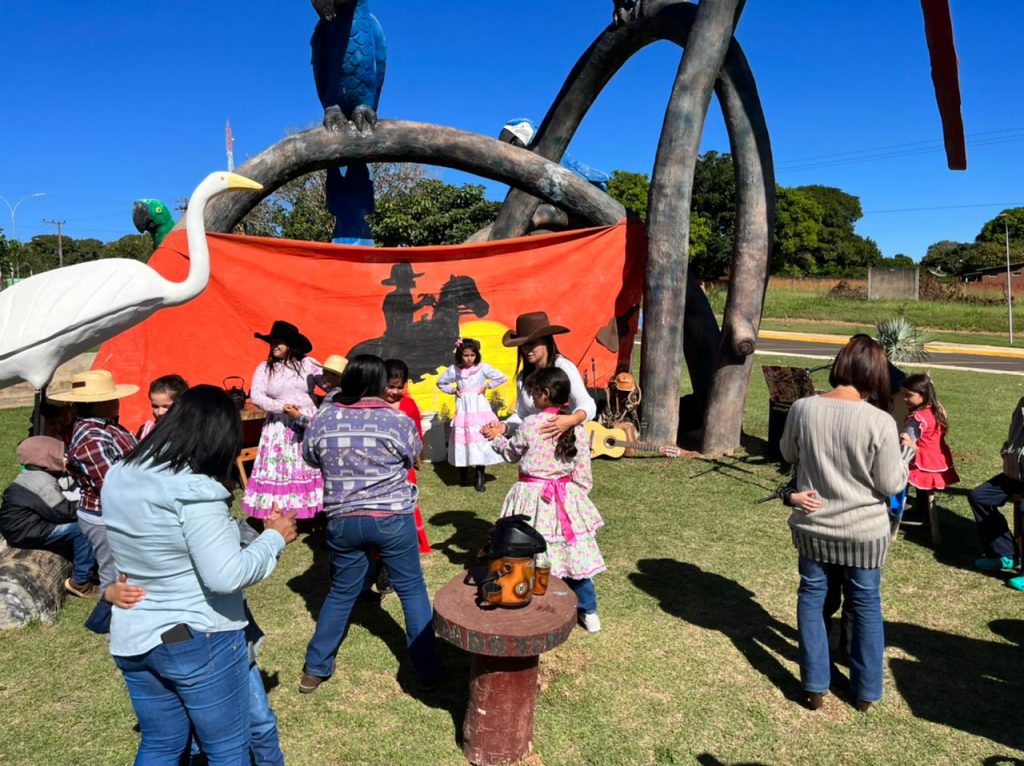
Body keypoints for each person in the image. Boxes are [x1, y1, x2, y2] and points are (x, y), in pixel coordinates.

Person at [101, 384, 297, 764]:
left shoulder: (121, 473)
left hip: (135, 633)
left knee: (160, 743)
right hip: (192, 636)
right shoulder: (195, 490)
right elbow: (225, 575)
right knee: (226, 748)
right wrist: (273, 538)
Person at [299, 355, 443, 694]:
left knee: (342, 590)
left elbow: (309, 458)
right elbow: (414, 456)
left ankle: (315, 669)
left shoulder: (321, 419)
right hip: (392, 516)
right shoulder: (396, 421)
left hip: (343, 518)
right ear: (380, 384)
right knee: (411, 588)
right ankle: (428, 668)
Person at [779, 336, 907, 712]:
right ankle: (866, 691)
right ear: (875, 374)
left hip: (813, 524)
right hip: (864, 531)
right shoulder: (880, 421)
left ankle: (815, 685)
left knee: (812, 596)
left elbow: (788, 452)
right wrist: (904, 457)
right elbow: (890, 483)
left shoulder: (803, 408)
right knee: (865, 603)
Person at [486, 367, 606, 633]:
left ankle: (530, 606)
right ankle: (589, 610)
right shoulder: (578, 428)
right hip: (565, 497)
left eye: (533, 394)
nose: (531, 399)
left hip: (531, 499)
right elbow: (583, 471)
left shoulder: (530, 424)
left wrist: (497, 438)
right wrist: (576, 497)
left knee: (526, 554)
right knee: (573, 558)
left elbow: (510, 453)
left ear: (545, 394)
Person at [49, 369, 139, 594]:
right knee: (114, 578)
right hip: (106, 515)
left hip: (115, 511)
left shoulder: (104, 426)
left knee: (124, 573)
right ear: (101, 403)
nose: (118, 401)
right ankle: (110, 621)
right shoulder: (92, 439)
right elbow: (111, 485)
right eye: (113, 397)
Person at [242, 320, 324, 520]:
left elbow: (328, 384)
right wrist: (283, 409)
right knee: (280, 467)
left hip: (306, 422)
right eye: (272, 341)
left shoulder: (308, 364)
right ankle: (280, 510)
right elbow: (257, 396)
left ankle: (314, 508)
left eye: (279, 342)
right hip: (279, 426)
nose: (274, 345)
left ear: (291, 345)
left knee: (307, 463)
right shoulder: (264, 368)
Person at [0, 436, 97, 598]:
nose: (66, 459)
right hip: (26, 532)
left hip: (15, 527)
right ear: (47, 459)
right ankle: (80, 582)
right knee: (82, 528)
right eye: (63, 456)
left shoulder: (31, 476)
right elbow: (64, 512)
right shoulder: (43, 483)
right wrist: (88, 503)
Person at [481, 311, 596, 443]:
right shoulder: (523, 377)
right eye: (523, 345)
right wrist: (504, 427)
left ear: (546, 341)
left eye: (532, 343)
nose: (526, 349)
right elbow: (522, 416)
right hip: (538, 449)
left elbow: (587, 402)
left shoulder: (563, 367)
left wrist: (571, 420)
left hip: (565, 445)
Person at [436, 337, 507, 492]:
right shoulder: (455, 369)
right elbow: (441, 383)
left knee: (480, 437)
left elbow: (502, 377)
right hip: (464, 408)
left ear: (477, 355)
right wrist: (453, 390)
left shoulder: (482, 368)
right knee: (465, 438)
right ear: (460, 355)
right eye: (466, 355)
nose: (469, 359)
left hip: (479, 406)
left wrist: (487, 385)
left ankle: (480, 475)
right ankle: (463, 468)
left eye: (472, 355)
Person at [968, 395, 1024, 585]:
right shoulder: (1022, 402)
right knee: (980, 497)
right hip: (1016, 473)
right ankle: (1004, 553)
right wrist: (1007, 452)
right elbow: (1014, 436)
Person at [385, 358, 431, 553]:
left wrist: (416, 457)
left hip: (404, 466)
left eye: (399, 387)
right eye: (390, 387)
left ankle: (412, 542)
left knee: (408, 501)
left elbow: (417, 434)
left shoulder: (409, 404)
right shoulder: (375, 404)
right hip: (382, 465)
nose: (394, 392)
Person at [899, 373, 959, 518]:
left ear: (923, 395)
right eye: (903, 395)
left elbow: (906, 442)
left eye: (909, 395)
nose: (905, 399)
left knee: (896, 473)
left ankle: (895, 508)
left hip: (921, 460)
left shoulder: (917, 419)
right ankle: (924, 510)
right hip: (936, 459)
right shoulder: (938, 411)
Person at [136, 374, 189, 440]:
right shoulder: (146, 430)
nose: (160, 412)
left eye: (166, 407)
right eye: (155, 406)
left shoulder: (191, 431)